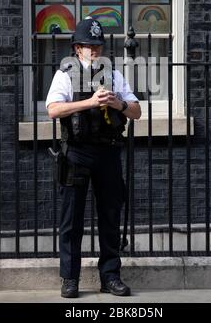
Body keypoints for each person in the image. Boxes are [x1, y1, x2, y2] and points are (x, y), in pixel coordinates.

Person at [46, 17, 141, 299]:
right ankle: (70, 278)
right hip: (76, 152)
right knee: (71, 219)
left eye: (98, 46)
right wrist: (89, 102)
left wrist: (118, 103)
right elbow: (53, 110)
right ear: (77, 48)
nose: (94, 50)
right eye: (89, 46)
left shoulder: (113, 75)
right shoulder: (64, 74)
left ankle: (110, 276)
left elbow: (136, 111)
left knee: (110, 217)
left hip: (108, 151)